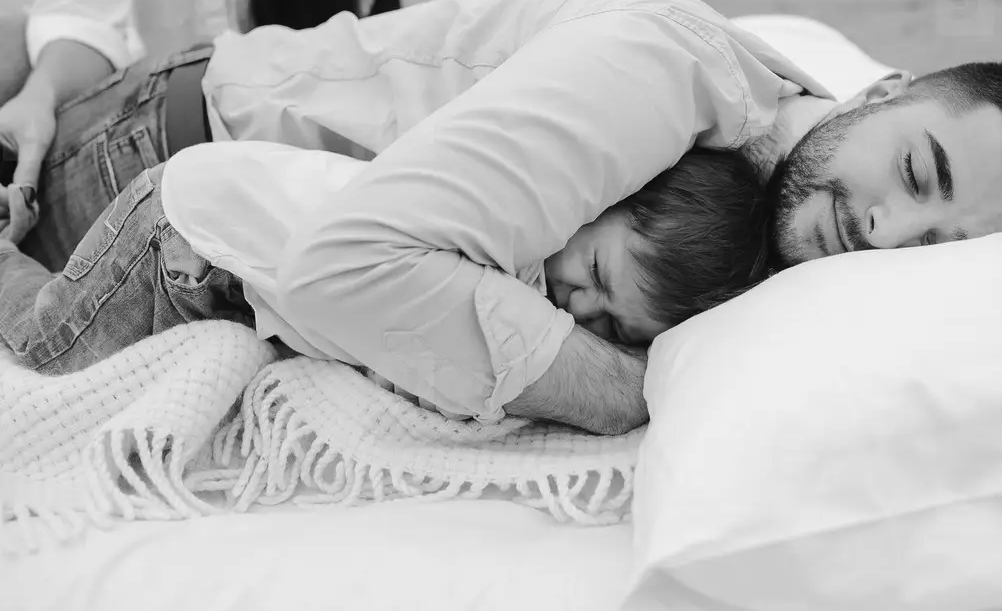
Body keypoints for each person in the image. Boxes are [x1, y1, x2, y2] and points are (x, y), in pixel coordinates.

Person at [0, 0, 1002, 434]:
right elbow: (353, 265)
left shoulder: (764, 212)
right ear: (883, 92)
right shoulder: (661, 71)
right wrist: (635, 390)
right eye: (916, 175)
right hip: (155, 162)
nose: (889, 234)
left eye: (938, 248)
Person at [0, 142, 771, 433]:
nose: (582, 307)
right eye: (598, 273)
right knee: (45, 360)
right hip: (181, 235)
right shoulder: (504, 238)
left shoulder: (535, 265)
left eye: (613, 325)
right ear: (602, 197)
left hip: (232, 265)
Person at [0, 0, 401, 230]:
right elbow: (84, 17)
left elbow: (361, 26)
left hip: (308, 133)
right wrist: (40, 96)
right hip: (161, 141)